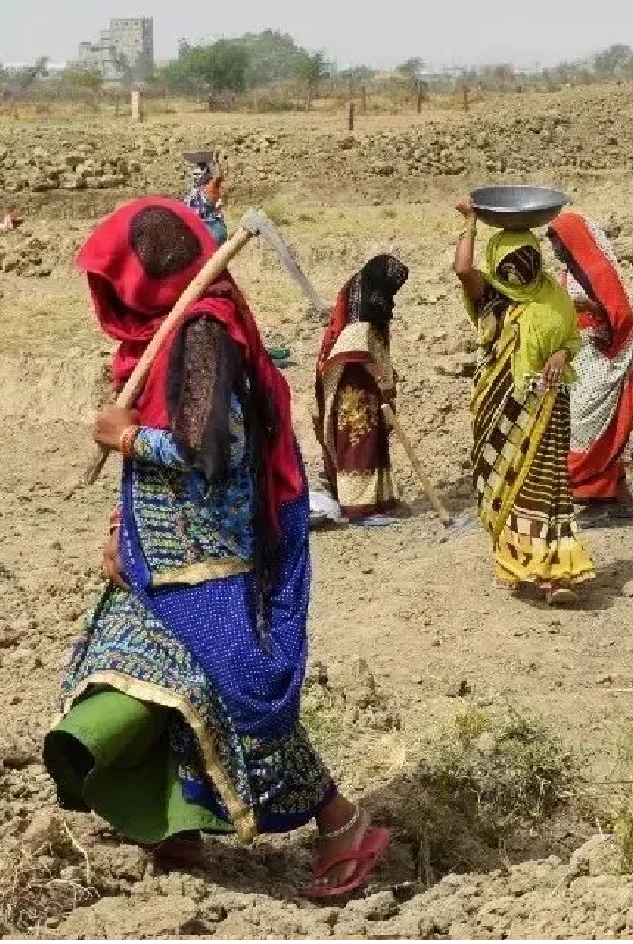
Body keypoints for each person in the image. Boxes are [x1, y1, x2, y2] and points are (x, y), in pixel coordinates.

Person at [46, 196, 389, 899]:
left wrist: (127, 438)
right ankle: (175, 824)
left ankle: (342, 821)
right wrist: (119, 527)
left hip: (210, 556)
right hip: (156, 554)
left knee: (238, 696)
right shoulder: (163, 335)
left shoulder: (203, 332)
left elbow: (214, 452)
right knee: (128, 675)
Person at [454, 198, 595, 606]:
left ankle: (555, 572)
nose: (519, 270)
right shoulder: (491, 296)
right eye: (510, 262)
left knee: (547, 484)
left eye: (527, 259)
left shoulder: (554, 296)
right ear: (496, 263)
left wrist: (561, 354)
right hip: (498, 405)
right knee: (506, 483)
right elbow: (463, 269)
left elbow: (572, 338)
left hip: (548, 403)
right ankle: (515, 561)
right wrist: (470, 223)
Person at [546, 212, 633, 524]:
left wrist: (592, 310)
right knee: (594, 425)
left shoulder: (599, 272)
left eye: (557, 241)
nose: (554, 248)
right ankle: (619, 498)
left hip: (606, 357)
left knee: (587, 424)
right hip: (581, 357)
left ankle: (598, 499)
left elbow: (621, 317)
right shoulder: (568, 275)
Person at [315, 254, 411, 526]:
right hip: (353, 389)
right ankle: (358, 509)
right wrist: (379, 377)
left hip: (366, 388)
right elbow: (353, 347)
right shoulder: (363, 307)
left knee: (372, 443)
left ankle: (377, 501)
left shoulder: (369, 301)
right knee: (358, 445)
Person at [184, 155, 227, 244]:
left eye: (198, 175)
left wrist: (216, 162)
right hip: (199, 229)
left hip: (212, 228)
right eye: (194, 175)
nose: (195, 177)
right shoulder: (193, 192)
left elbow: (218, 177)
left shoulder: (209, 189)